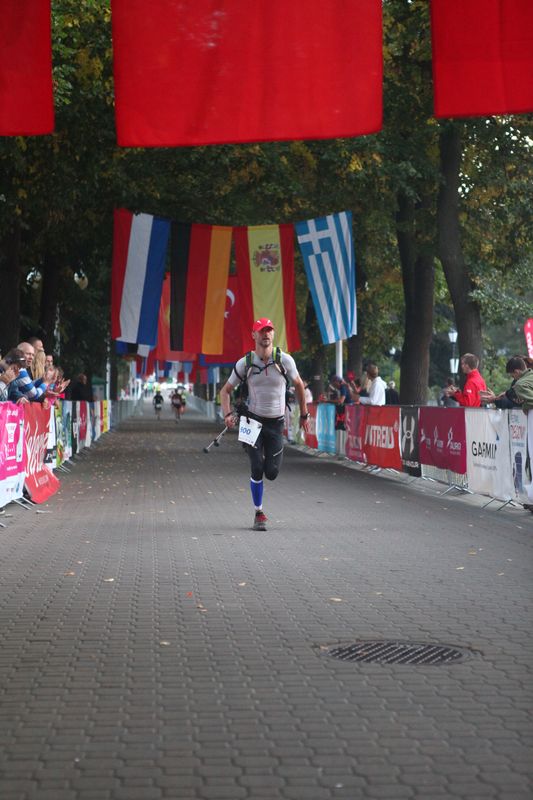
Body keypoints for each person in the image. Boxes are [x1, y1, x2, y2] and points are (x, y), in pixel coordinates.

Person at [220, 317, 310, 532]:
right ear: (254, 335)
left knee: (271, 472)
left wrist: (304, 414)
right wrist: (227, 414)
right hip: (251, 421)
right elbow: (225, 391)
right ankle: (258, 512)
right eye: (261, 331)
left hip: (276, 424)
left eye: (269, 330)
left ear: (273, 334)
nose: (266, 334)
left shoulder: (285, 360)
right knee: (257, 467)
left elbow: (299, 385)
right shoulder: (245, 363)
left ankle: (268, 470)